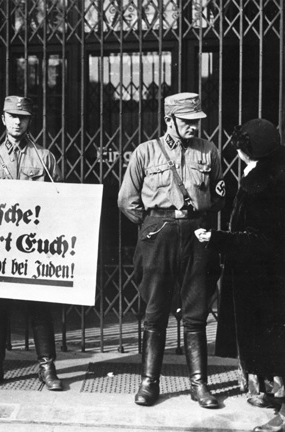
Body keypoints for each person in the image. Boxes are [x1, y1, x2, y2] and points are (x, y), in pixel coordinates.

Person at [118, 92, 226, 408]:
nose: (194, 126)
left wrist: (198, 219)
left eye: (197, 121)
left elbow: (220, 194)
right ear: (169, 120)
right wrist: (153, 226)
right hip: (158, 236)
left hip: (197, 235)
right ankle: (150, 383)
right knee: (154, 312)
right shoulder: (145, 153)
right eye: (187, 121)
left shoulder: (209, 151)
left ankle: (199, 384)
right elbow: (127, 200)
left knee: (196, 312)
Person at [195, 119, 285, 431]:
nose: (238, 156)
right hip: (270, 276)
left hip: (263, 277)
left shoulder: (262, 182)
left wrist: (217, 238)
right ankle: (272, 395)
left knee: (272, 339)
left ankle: (282, 416)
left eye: (240, 151)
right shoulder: (275, 169)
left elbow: (260, 239)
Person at [0, 95, 63, 391]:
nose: (17, 121)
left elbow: (60, 202)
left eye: (22, 117)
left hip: (34, 250)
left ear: (29, 121)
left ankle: (47, 368)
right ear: (3, 119)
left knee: (40, 308)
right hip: (0, 250)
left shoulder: (45, 159)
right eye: (12, 116)